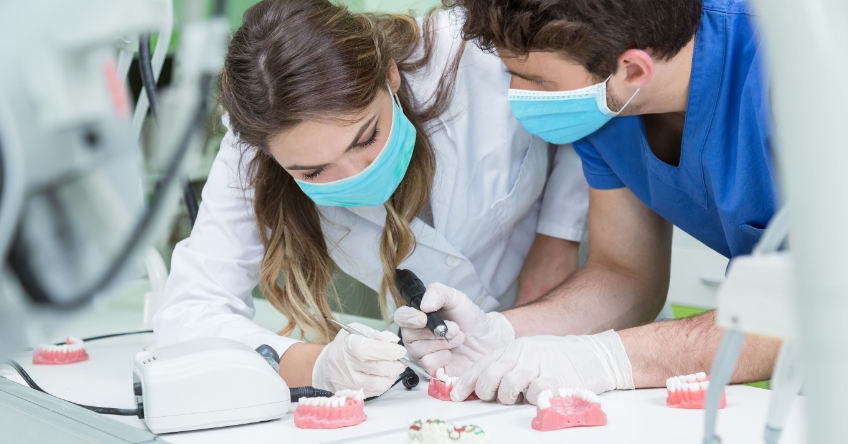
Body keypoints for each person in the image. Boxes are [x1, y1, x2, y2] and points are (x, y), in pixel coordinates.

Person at [153, 0, 589, 398]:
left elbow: (585, 90)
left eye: (366, 137)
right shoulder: (259, 141)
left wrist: (560, 233)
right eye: (313, 172)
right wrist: (316, 365)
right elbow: (188, 315)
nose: (356, 175)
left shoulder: (474, 52)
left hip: (566, 308)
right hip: (446, 372)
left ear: (390, 75)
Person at [395, 0, 782, 405]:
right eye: (511, 74)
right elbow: (625, 273)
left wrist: (606, 358)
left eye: (538, 82)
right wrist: (500, 333)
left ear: (634, 70)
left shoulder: (792, 74)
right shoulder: (607, 107)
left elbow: (822, 304)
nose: (517, 97)